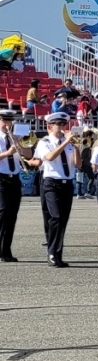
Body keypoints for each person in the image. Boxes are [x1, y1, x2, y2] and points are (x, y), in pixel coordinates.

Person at [36, 112, 82, 267]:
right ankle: (51, 251)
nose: (62, 128)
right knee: (55, 217)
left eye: (64, 124)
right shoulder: (45, 142)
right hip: (51, 183)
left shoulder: (69, 142)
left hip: (67, 184)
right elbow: (49, 157)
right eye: (59, 125)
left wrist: (76, 148)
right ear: (50, 126)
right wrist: (65, 143)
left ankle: (57, 254)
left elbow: (78, 165)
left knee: (62, 220)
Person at [0, 110, 30, 262]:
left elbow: (29, 155)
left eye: (9, 120)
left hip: (14, 178)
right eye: (4, 120)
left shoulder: (14, 137)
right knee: (4, 212)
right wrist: (8, 153)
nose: (7, 124)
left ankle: (6, 251)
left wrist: (20, 144)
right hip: (1, 179)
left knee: (12, 215)